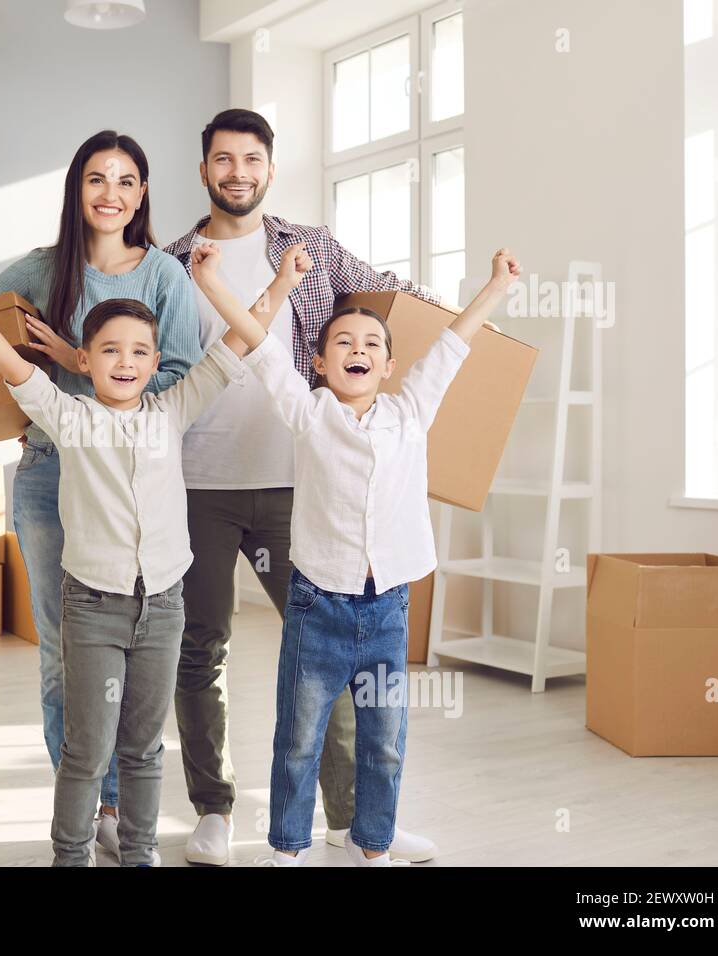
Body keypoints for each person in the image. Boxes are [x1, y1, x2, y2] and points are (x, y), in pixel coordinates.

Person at [0, 247, 303, 865]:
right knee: (87, 750)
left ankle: (141, 854)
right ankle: (72, 855)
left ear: (156, 363)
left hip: (164, 606)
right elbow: (7, 359)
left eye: (141, 351)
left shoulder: (174, 410)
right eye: (112, 350)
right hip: (94, 606)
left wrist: (281, 280)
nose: (127, 362)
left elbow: (240, 339)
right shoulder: (68, 417)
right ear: (85, 360)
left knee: (145, 749)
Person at [162, 107, 443, 865]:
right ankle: (214, 810)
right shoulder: (174, 261)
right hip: (197, 484)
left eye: (251, 159)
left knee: (334, 653)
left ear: (269, 168)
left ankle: (353, 822)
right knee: (201, 647)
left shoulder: (309, 248)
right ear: (205, 171)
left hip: (298, 487)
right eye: (224, 160)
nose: (238, 173)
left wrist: (465, 319)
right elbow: (125, 361)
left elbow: (389, 298)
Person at [0, 131, 202, 860]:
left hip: (129, 488)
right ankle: (91, 804)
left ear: (143, 194)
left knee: (134, 659)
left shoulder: (165, 274)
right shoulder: (46, 269)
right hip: (49, 475)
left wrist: (79, 360)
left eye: (128, 180)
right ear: (78, 190)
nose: (112, 193)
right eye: (97, 179)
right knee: (61, 658)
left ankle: (121, 808)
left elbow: (182, 379)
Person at [193, 240, 521, 865]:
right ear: (317, 362)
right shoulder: (308, 413)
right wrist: (211, 280)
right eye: (342, 343)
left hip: (386, 607)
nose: (358, 352)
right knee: (298, 738)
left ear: (392, 366)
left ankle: (374, 844)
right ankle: (287, 850)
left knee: (384, 740)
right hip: (318, 606)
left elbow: (452, 346)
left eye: (372, 344)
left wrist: (496, 288)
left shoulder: (410, 412)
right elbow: (256, 344)